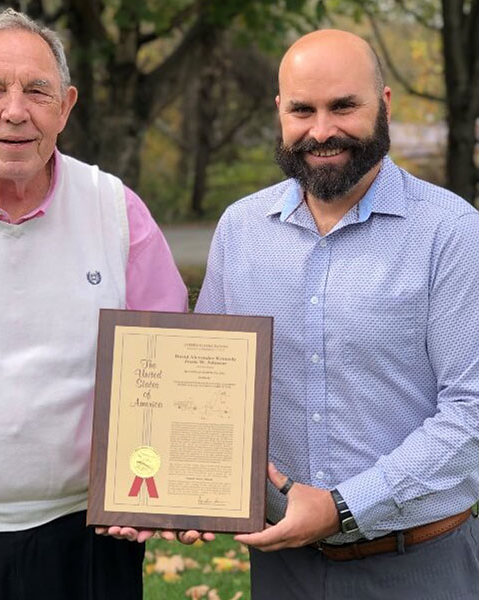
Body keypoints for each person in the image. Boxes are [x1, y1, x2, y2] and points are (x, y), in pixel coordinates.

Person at [0, 9, 187, 600]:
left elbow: (167, 379)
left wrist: (161, 488)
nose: (14, 111)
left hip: (84, 537)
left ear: (66, 107)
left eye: (37, 91)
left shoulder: (117, 213)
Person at [196, 29, 479, 600]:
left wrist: (343, 508)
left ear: (385, 105)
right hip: (282, 566)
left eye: (344, 106)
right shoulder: (239, 231)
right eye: (303, 109)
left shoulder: (452, 232)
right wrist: (185, 491)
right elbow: (206, 390)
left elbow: (472, 413)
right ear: (280, 111)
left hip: (417, 564)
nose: (321, 131)